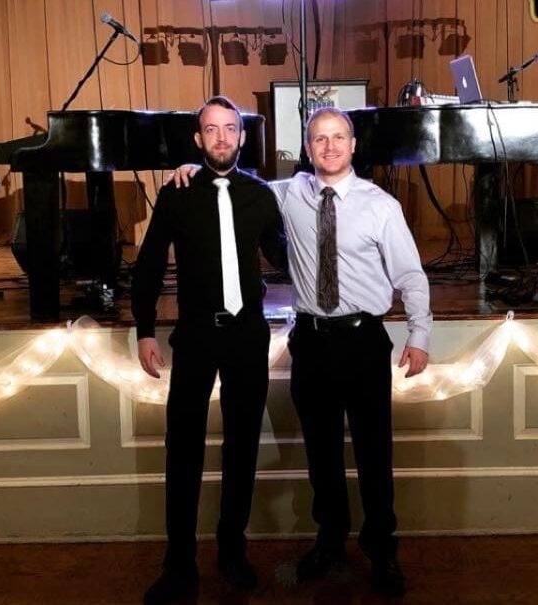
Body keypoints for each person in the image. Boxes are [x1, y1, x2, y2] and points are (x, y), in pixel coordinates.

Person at [170, 106, 431, 597]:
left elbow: (411, 276)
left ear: (353, 145)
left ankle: (382, 550)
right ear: (307, 149)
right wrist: (192, 169)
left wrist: (420, 335)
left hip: (363, 339)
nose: (329, 147)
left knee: (375, 453)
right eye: (318, 139)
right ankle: (330, 540)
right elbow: (232, 183)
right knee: (322, 455)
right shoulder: (286, 195)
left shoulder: (381, 206)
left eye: (338, 138)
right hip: (310, 341)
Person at [131, 95, 288, 605]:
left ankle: (232, 551)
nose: (221, 137)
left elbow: (287, 258)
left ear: (242, 138)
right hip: (195, 335)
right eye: (211, 130)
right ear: (198, 140)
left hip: (247, 336)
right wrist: (144, 328)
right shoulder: (176, 193)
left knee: (242, 446)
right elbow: (151, 263)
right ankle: (179, 564)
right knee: (185, 451)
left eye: (231, 129)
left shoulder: (262, 197)